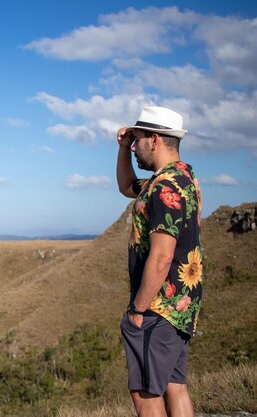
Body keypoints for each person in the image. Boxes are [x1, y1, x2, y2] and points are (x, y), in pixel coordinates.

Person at [116, 106, 203, 417]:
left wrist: (137, 310)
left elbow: (162, 255)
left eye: (138, 139)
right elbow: (127, 187)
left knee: (145, 391)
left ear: (154, 140)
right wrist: (124, 147)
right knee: (174, 384)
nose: (135, 144)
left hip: (158, 305)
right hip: (181, 304)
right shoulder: (180, 177)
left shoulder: (163, 189)